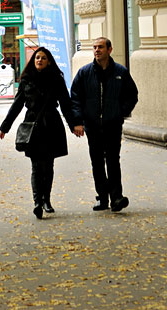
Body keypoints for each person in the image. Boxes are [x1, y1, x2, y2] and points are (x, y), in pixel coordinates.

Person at [0, 47, 77, 219]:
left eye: (43, 58)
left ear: (49, 61)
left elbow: (65, 103)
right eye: (37, 58)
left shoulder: (56, 79)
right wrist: (5, 126)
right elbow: (17, 104)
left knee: (48, 165)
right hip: (33, 125)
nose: (39, 60)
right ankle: (37, 202)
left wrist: (74, 125)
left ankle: (46, 200)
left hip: (51, 124)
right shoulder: (26, 80)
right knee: (36, 166)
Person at [71, 37, 138, 213]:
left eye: (100, 47)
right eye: (94, 47)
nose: (96, 50)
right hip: (92, 125)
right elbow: (75, 98)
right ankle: (102, 197)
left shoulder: (120, 72)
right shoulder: (84, 73)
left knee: (113, 161)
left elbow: (132, 95)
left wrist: (120, 112)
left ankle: (117, 197)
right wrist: (78, 121)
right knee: (97, 162)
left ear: (109, 49)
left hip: (112, 125)